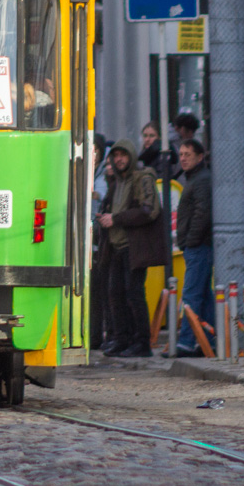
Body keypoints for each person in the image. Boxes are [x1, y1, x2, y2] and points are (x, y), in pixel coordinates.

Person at [97, 138, 163, 357]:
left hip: (133, 247)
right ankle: (122, 338)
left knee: (133, 294)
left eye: (123, 155)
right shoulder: (116, 181)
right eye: (116, 156)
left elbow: (149, 210)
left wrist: (115, 219)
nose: (119, 160)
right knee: (114, 294)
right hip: (116, 246)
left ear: (131, 156)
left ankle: (141, 342)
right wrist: (105, 217)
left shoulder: (142, 178)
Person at [168, 139, 214, 358]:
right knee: (203, 294)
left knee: (192, 294)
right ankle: (208, 341)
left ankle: (186, 342)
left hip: (199, 246)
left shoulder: (202, 180)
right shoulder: (194, 179)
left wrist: (191, 240)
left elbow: (202, 213)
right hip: (196, 245)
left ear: (200, 156)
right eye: (181, 154)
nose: (183, 158)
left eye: (188, 154)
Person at [89, 141, 114, 351]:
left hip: (101, 241)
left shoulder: (103, 176)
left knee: (103, 293)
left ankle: (99, 336)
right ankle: (96, 335)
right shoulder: (96, 172)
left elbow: (100, 197)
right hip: (96, 240)